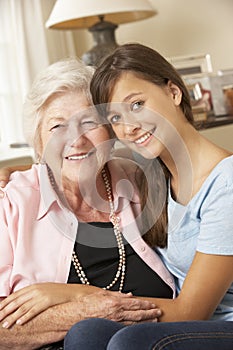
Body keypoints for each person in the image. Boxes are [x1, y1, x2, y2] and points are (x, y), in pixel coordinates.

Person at [60, 43, 233, 349]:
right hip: (188, 324)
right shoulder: (154, 173)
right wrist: (24, 170)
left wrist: (72, 296)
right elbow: (84, 161)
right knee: (85, 333)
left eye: (137, 104)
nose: (128, 127)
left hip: (220, 326)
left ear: (174, 93)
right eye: (114, 119)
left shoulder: (226, 184)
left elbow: (192, 311)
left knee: (130, 343)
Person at [0, 56, 176, 349]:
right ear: (39, 143)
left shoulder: (141, 183)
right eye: (58, 127)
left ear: (109, 130)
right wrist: (84, 309)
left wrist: (71, 295)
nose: (76, 140)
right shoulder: (12, 203)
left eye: (89, 122)